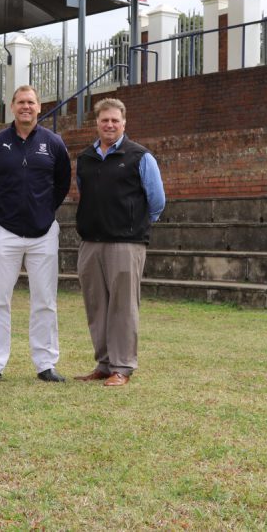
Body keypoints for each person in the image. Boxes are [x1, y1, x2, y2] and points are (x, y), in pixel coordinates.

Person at [0, 84, 72, 384]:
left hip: (43, 235)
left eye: (31, 102)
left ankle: (45, 363)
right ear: (12, 107)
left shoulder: (54, 143)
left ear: (39, 107)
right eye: (20, 102)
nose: (25, 107)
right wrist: (2, 212)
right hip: (6, 233)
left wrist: (43, 212)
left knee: (45, 300)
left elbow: (62, 184)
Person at [73, 98, 165, 387]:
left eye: (115, 120)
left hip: (126, 244)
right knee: (96, 306)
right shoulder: (85, 158)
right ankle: (103, 364)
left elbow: (157, 202)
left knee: (123, 307)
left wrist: (132, 225)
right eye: (104, 120)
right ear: (97, 123)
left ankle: (122, 367)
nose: (109, 124)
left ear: (124, 123)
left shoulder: (140, 157)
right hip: (91, 243)